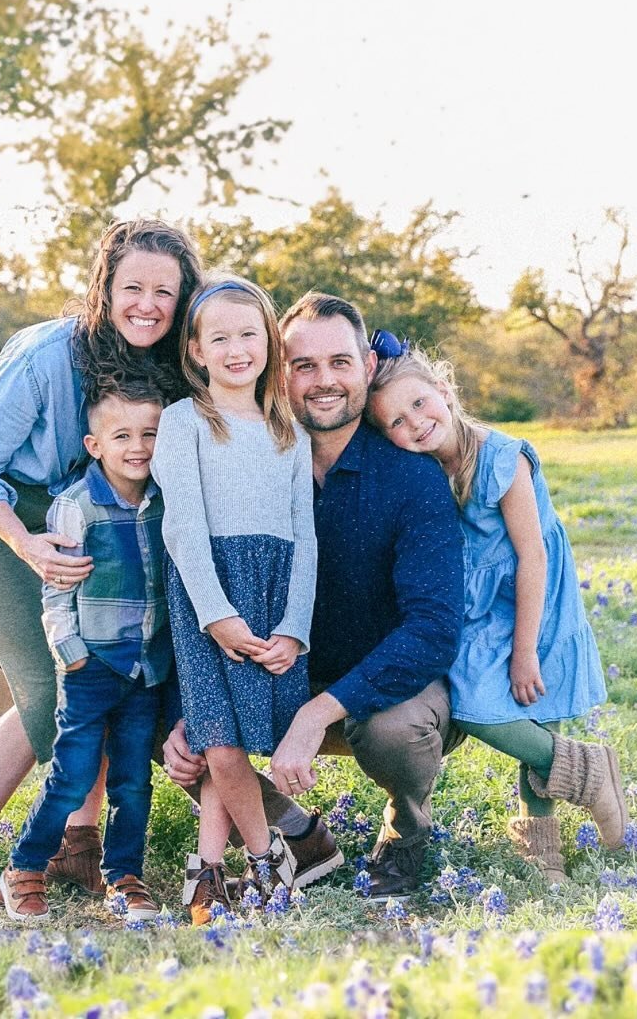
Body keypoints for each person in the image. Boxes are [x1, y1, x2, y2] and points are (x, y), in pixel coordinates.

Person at [0, 219, 202, 909]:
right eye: (133, 287)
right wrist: (27, 544)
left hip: (66, 506)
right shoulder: (49, 354)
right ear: (106, 288)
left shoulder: (165, 361)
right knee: (54, 686)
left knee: (110, 660)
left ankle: (79, 846)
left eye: (166, 291)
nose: (148, 305)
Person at [162, 292, 466, 900]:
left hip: (375, 686)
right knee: (167, 724)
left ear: (368, 367)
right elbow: (185, 549)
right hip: (259, 663)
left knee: (394, 732)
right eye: (305, 366)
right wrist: (178, 698)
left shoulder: (409, 474)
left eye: (340, 363)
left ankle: (403, 834)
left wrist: (319, 710)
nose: (323, 381)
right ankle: (292, 834)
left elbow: (433, 628)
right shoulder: (246, 443)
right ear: (282, 368)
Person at [365, 334, 626, 882]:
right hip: (480, 611)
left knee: (540, 722)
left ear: (444, 390)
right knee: (474, 705)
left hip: (535, 603)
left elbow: (531, 557)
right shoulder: (422, 471)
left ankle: (543, 852)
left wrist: (525, 651)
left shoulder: (502, 458)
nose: (413, 422)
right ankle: (592, 771)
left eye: (419, 403)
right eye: (395, 422)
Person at [150, 274, 317, 924]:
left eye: (249, 334)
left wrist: (294, 627)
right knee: (217, 743)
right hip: (206, 598)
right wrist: (217, 615)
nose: (235, 348)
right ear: (195, 350)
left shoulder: (289, 432)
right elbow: (183, 527)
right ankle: (269, 861)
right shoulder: (182, 422)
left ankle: (206, 871)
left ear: (269, 343)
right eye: (218, 337)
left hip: (274, 596)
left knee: (240, 742)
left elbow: (305, 539)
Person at [0, 384, 170, 924]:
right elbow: (57, 587)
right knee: (71, 774)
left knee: (133, 778)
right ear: (95, 445)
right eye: (122, 436)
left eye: (150, 434)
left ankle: (122, 875)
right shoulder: (75, 506)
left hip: (145, 666)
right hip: (91, 662)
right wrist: (70, 653)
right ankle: (25, 865)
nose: (138, 446)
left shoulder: (167, 497)